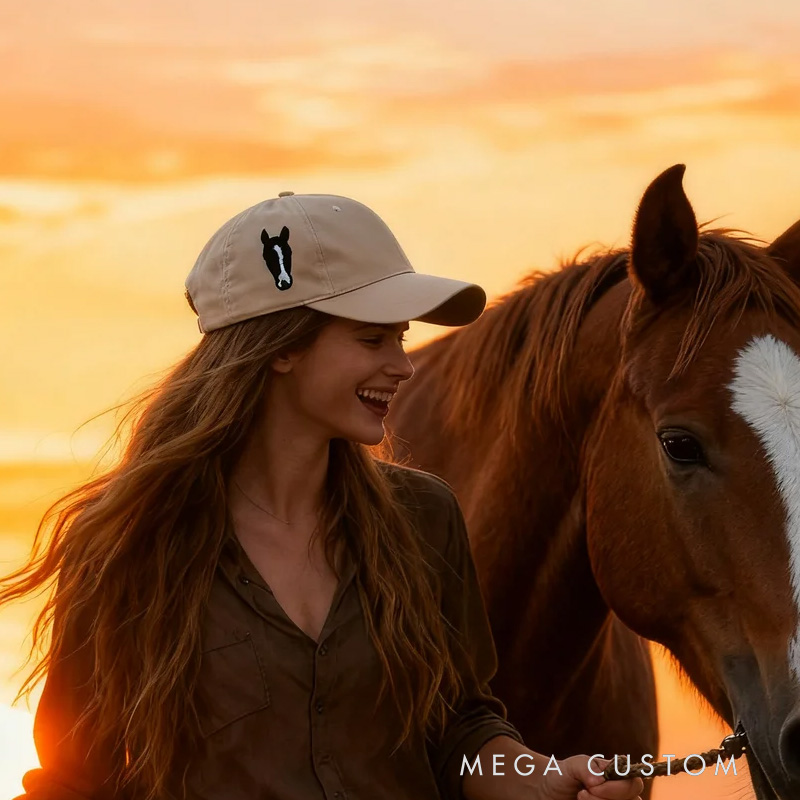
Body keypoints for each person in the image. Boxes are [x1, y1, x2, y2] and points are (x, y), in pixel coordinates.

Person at [2, 191, 644, 800]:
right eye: (372, 338)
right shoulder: (129, 544)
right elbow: (75, 779)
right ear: (282, 347)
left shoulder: (425, 519)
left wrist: (534, 774)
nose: (403, 365)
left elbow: (460, 729)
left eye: (400, 337)